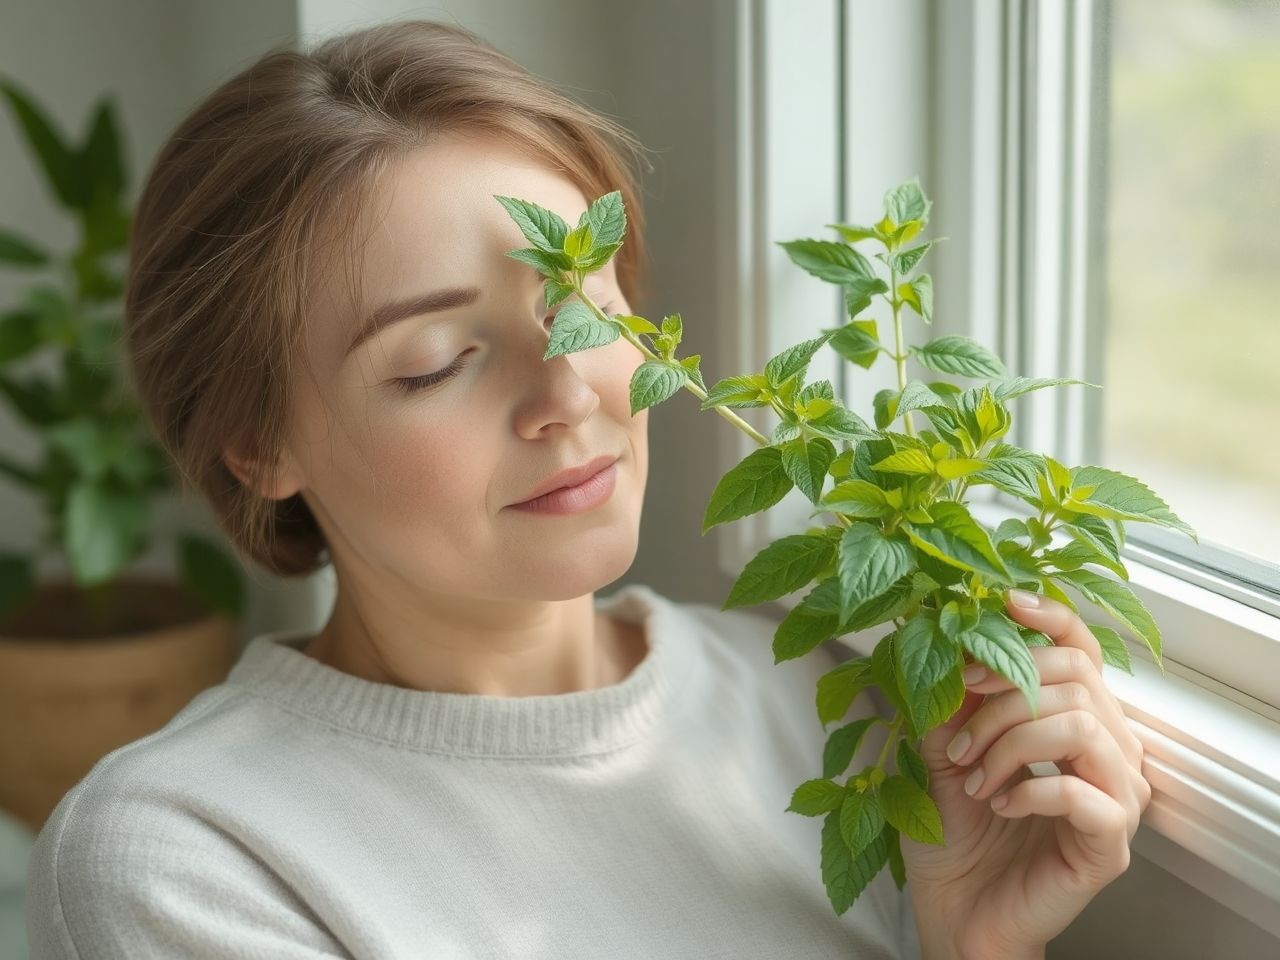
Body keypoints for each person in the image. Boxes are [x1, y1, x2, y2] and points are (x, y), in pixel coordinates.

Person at [23, 18, 1150, 960]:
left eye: (589, 304)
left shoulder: (823, 702)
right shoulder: (187, 858)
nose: (565, 392)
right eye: (435, 362)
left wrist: (973, 946)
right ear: (257, 444)